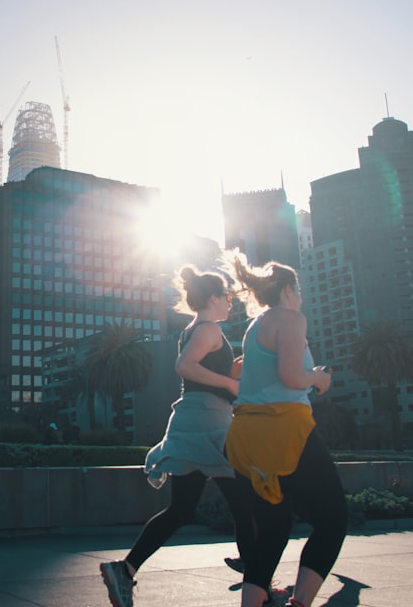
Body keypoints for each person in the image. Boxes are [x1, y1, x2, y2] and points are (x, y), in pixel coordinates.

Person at [100, 264, 259, 607]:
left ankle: (124, 570)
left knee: (183, 509)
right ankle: (256, 581)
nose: (231, 302)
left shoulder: (194, 329)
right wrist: (231, 383)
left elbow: (199, 372)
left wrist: (232, 371)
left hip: (192, 419)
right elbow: (185, 367)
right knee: (245, 499)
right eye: (228, 296)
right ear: (214, 298)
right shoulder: (209, 330)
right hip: (209, 423)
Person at [225, 255, 347, 607]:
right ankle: (301, 603)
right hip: (283, 431)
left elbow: (245, 374)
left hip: (244, 437)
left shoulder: (255, 326)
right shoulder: (291, 319)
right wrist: (319, 379)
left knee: (273, 531)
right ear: (290, 290)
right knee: (333, 519)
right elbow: (292, 377)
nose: (302, 296)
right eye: (300, 289)